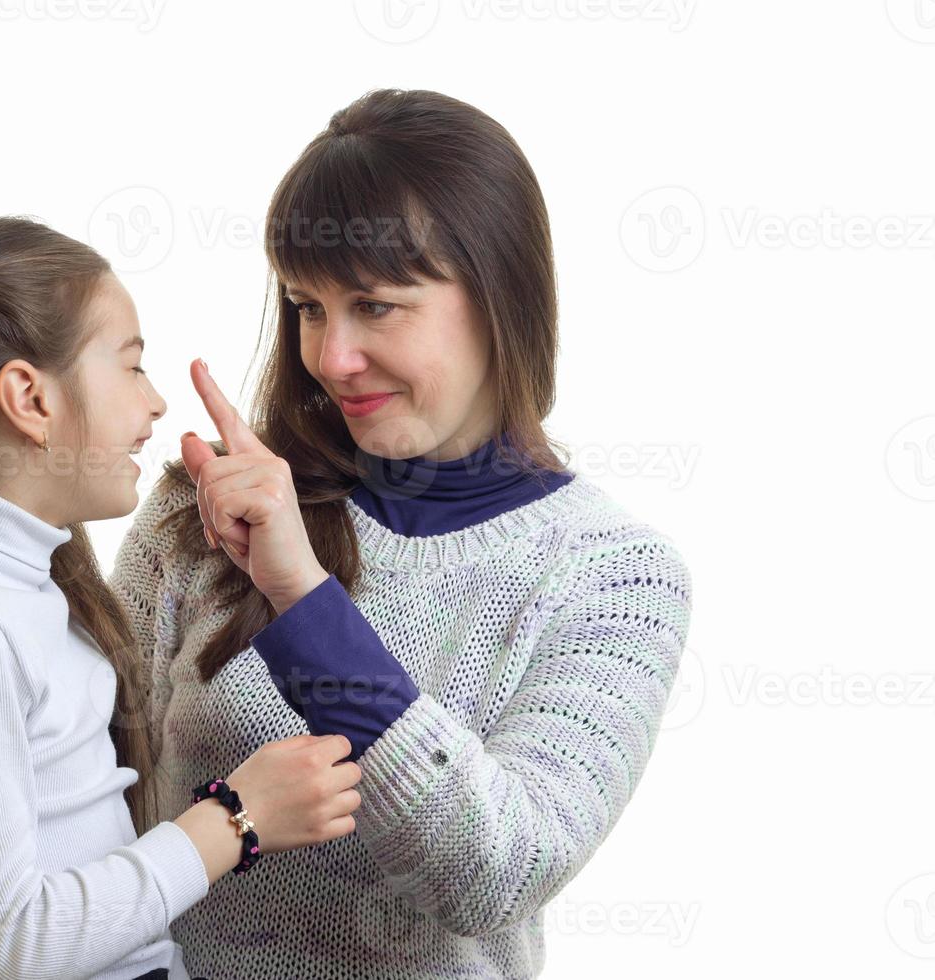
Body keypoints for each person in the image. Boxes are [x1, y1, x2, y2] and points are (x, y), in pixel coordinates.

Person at [109, 89, 695, 979]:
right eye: (308, 307)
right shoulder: (207, 511)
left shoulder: (615, 577)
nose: (331, 357)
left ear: (499, 295)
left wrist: (303, 599)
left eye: (375, 306)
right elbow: (84, 809)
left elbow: (497, 872)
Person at [0, 214, 362, 980]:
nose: (155, 405)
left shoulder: (23, 591)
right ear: (29, 397)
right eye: (130, 367)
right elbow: (14, 945)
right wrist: (237, 819)